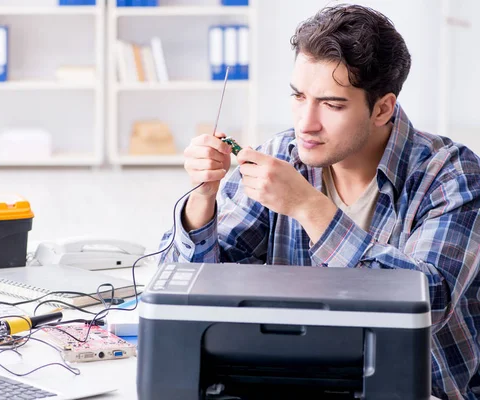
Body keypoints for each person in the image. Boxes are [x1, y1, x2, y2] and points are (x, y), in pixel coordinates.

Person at [158, 4, 480, 399]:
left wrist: (310, 208)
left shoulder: (451, 173)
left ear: (382, 108)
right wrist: (203, 198)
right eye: (298, 96)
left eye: (331, 104)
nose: (305, 123)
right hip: (291, 384)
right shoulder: (282, 154)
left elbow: (428, 301)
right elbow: (182, 294)